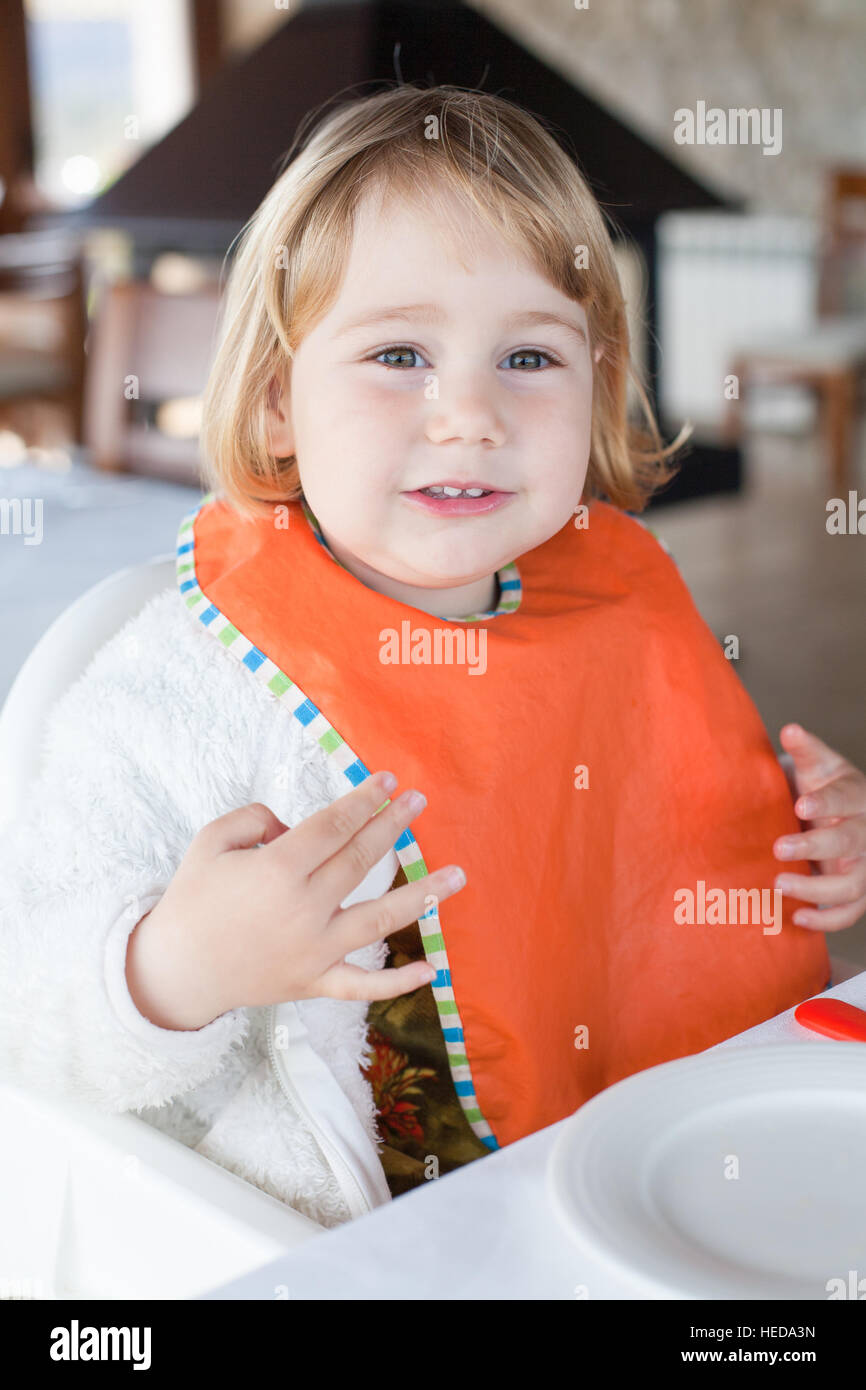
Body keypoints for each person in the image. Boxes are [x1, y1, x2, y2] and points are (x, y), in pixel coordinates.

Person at [2, 85, 865, 1231]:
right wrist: (175, 967)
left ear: (596, 385)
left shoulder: (609, 604)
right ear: (274, 404)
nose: (467, 413)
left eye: (529, 358)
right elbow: (29, 1007)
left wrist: (805, 850)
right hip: (338, 1242)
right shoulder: (173, 689)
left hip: (623, 1183)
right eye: (399, 351)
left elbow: (660, 871)